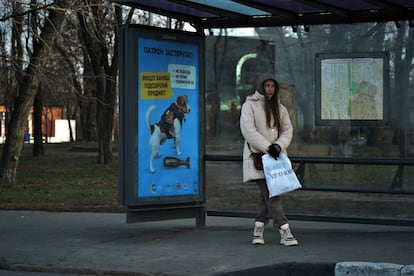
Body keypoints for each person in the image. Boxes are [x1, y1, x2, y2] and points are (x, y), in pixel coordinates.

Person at [239, 72, 298, 246]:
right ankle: (284, 229)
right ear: (260, 86)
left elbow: (288, 130)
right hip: (258, 158)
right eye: (267, 86)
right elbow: (248, 130)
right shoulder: (249, 106)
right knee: (273, 194)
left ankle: (258, 228)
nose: (270, 89)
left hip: (276, 159)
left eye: (272, 86)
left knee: (266, 195)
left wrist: (278, 146)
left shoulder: (280, 108)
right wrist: (268, 147)